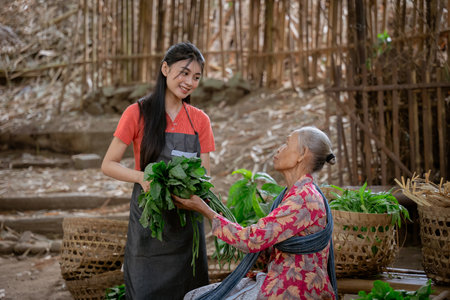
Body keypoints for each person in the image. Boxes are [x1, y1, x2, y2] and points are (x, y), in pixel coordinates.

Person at [101, 42, 215, 300]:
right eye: (184, 73)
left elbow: (204, 176)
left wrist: (197, 196)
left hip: (187, 227)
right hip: (148, 223)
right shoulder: (137, 113)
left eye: (196, 77)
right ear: (165, 68)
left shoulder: (200, 120)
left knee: (189, 293)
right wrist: (142, 177)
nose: (189, 82)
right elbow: (108, 163)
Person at [173, 126, 337, 300]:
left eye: (287, 144)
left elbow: (252, 240)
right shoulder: (295, 194)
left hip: (293, 288)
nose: (279, 149)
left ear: (302, 154)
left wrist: (206, 211)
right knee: (194, 296)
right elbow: (263, 244)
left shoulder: (303, 198)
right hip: (277, 278)